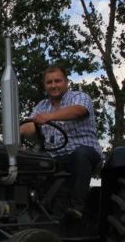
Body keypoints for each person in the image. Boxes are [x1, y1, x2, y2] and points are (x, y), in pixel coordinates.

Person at [20, 65, 102, 219]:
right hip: (55, 157)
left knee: (80, 154)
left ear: (66, 82)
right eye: (49, 82)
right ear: (44, 85)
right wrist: (18, 131)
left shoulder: (79, 97)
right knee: (30, 161)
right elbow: (31, 125)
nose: (53, 85)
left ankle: (77, 207)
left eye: (57, 81)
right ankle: (33, 208)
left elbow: (78, 111)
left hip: (84, 154)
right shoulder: (42, 106)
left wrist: (49, 117)